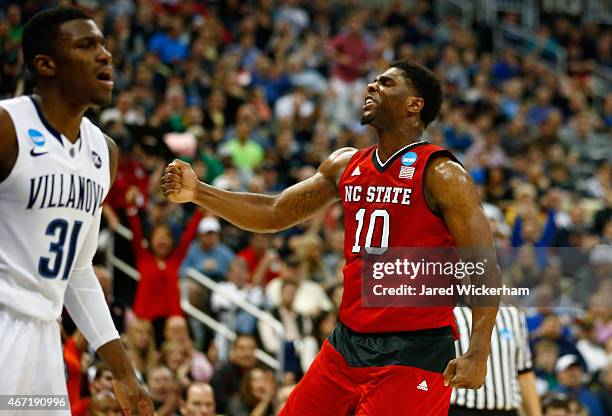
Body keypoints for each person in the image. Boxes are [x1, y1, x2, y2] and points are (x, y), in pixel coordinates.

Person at [162, 60, 500, 415]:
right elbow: (275, 211)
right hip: (347, 343)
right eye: (372, 81)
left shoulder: (442, 173)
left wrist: (478, 350)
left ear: (414, 104)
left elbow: (484, 265)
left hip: (415, 352)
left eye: (385, 83)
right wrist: (199, 192)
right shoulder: (345, 164)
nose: (371, 87)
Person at [0, 7, 152, 415]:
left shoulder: (104, 153)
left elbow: (78, 271)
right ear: (45, 65)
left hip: (44, 339)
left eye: (103, 44)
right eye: (86, 45)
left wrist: (122, 370)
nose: (105, 55)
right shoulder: (7, 126)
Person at [450, 304, 541, 416]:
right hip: (460, 408)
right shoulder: (450, 312)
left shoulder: (513, 315)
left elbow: (524, 372)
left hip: (506, 411)